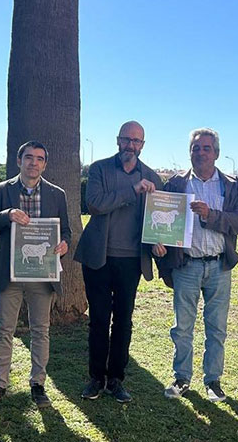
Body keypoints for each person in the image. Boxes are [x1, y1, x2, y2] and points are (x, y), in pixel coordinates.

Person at [152, 128, 238, 402]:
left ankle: (213, 381)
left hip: (219, 265)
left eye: (207, 148)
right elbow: (161, 221)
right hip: (186, 265)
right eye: (196, 147)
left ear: (216, 153)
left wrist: (211, 215)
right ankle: (182, 378)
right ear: (190, 152)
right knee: (182, 327)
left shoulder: (231, 185)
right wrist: (158, 244)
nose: (201, 152)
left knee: (216, 327)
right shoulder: (176, 184)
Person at [0, 141, 73, 409]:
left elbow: (65, 230)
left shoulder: (57, 194)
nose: (34, 163)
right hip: (9, 273)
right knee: (4, 329)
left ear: (45, 164)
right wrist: (7, 215)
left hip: (42, 274)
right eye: (28, 157)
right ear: (19, 161)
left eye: (40, 158)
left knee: (41, 330)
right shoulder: (0, 190)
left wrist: (64, 245)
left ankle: (38, 384)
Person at [74, 121, 164, 403]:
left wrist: (158, 241)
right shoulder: (100, 169)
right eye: (126, 140)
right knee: (99, 320)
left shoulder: (152, 177)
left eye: (136, 141)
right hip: (98, 258)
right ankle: (95, 378)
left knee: (123, 321)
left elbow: (156, 219)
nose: (131, 145)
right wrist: (132, 191)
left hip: (130, 261)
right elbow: (95, 205)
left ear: (143, 145)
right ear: (117, 141)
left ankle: (116, 380)